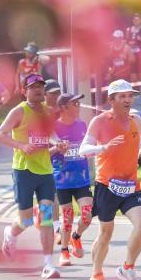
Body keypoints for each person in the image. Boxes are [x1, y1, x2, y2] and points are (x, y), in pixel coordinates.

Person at [78, 79, 141, 280]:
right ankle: (96, 273)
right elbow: (84, 150)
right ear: (111, 100)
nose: (128, 100)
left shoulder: (137, 120)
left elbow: (140, 141)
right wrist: (103, 148)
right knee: (106, 233)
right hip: (107, 186)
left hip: (131, 186)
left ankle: (127, 267)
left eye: (130, 95)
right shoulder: (99, 122)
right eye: (122, 96)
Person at [0, 74, 61, 279]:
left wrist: (58, 143)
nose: (39, 90)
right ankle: (11, 234)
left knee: (47, 217)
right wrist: (22, 146)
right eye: (33, 87)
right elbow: (0, 135)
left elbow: (50, 133)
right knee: (25, 221)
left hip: (45, 170)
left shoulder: (47, 112)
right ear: (24, 90)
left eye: (41, 86)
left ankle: (48, 265)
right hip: (24, 170)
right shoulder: (18, 111)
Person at [52, 93, 94, 267]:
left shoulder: (82, 125)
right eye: (74, 103)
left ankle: (76, 237)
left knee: (87, 215)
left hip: (82, 179)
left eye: (78, 103)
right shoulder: (53, 127)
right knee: (67, 218)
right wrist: (57, 148)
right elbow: (43, 155)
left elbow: (86, 148)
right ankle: (64, 252)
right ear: (63, 108)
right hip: (62, 180)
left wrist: (90, 156)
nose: (78, 106)